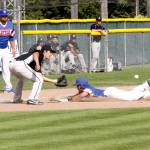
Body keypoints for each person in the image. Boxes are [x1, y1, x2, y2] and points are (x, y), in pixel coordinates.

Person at [58, 77, 150, 102]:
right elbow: (76, 96)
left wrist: (66, 100)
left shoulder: (86, 90)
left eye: (77, 85)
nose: (76, 87)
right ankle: (145, 85)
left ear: (81, 85)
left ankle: (146, 90)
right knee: (131, 94)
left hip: (110, 93)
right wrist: (65, 97)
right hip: (110, 91)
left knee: (130, 97)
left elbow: (78, 97)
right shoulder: (87, 88)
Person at [0, 9, 16, 93]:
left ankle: (8, 88)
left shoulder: (10, 24)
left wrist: (13, 49)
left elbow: (11, 38)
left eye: (6, 16)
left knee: (6, 68)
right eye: (3, 16)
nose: (5, 17)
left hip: (5, 49)